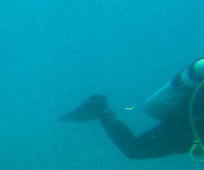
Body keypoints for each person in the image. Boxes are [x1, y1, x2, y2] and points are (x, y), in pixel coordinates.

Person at [60, 58, 204, 159]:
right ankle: (100, 110)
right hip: (184, 128)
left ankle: (99, 110)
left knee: (134, 151)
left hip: (189, 130)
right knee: (134, 151)